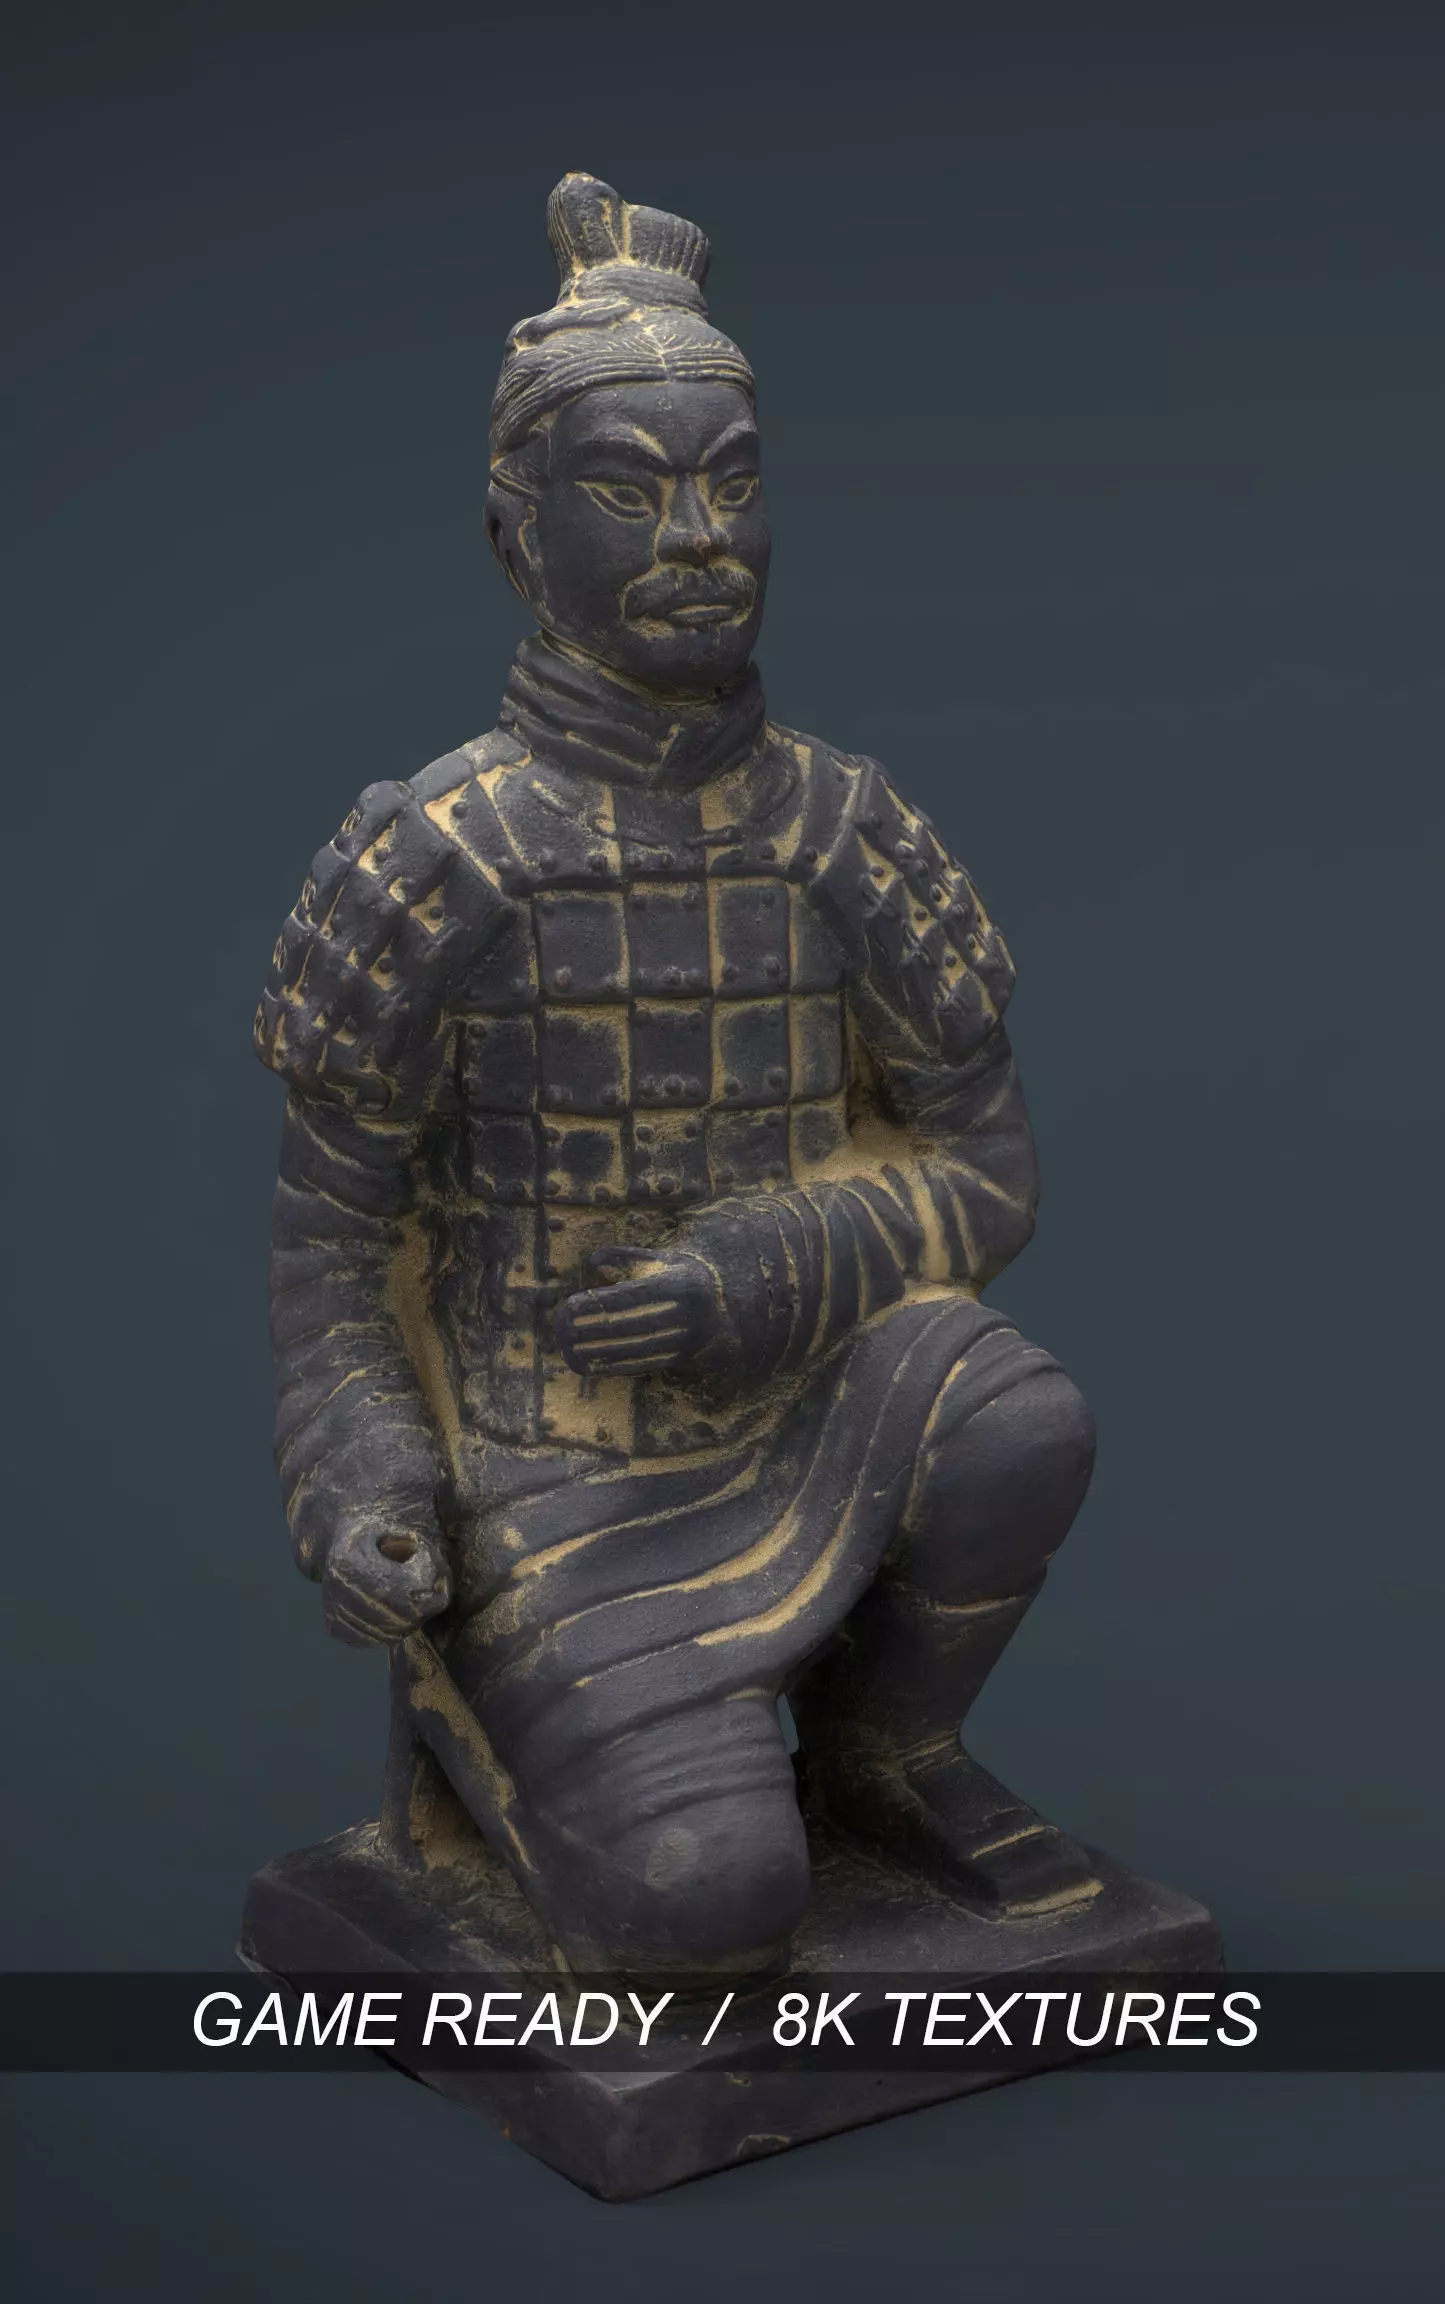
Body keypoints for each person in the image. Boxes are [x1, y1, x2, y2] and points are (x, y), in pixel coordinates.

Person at [256, 174, 1098, 1974]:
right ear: (516, 536)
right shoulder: (442, 859)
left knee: (1014, 1414)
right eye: (632, 493)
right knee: (705, 1906)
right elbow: (334, 1257)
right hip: (542, 1488)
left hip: (807, 1404)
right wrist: (374, 1496)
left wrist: (768, 1269)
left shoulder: (843, 827)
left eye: (734, 481)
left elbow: (990, 1172)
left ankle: (887, 1753)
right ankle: (487, 1731)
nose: (702, 536)